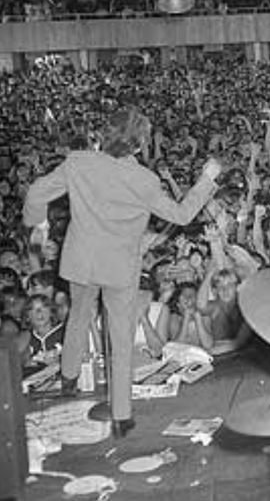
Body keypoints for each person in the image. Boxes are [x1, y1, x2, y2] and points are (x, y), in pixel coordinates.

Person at [22, 109, 221, 438]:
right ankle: (121, 416)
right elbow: (183, 215)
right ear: (140, 144)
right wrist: (207, 179)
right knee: (120, 338)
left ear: (105, 133)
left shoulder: (78, 162)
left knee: (79, 315)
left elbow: (34, 195)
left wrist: (37, 227)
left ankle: (69, 378)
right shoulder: (145, 180)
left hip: (81, 262)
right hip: (119, 268)